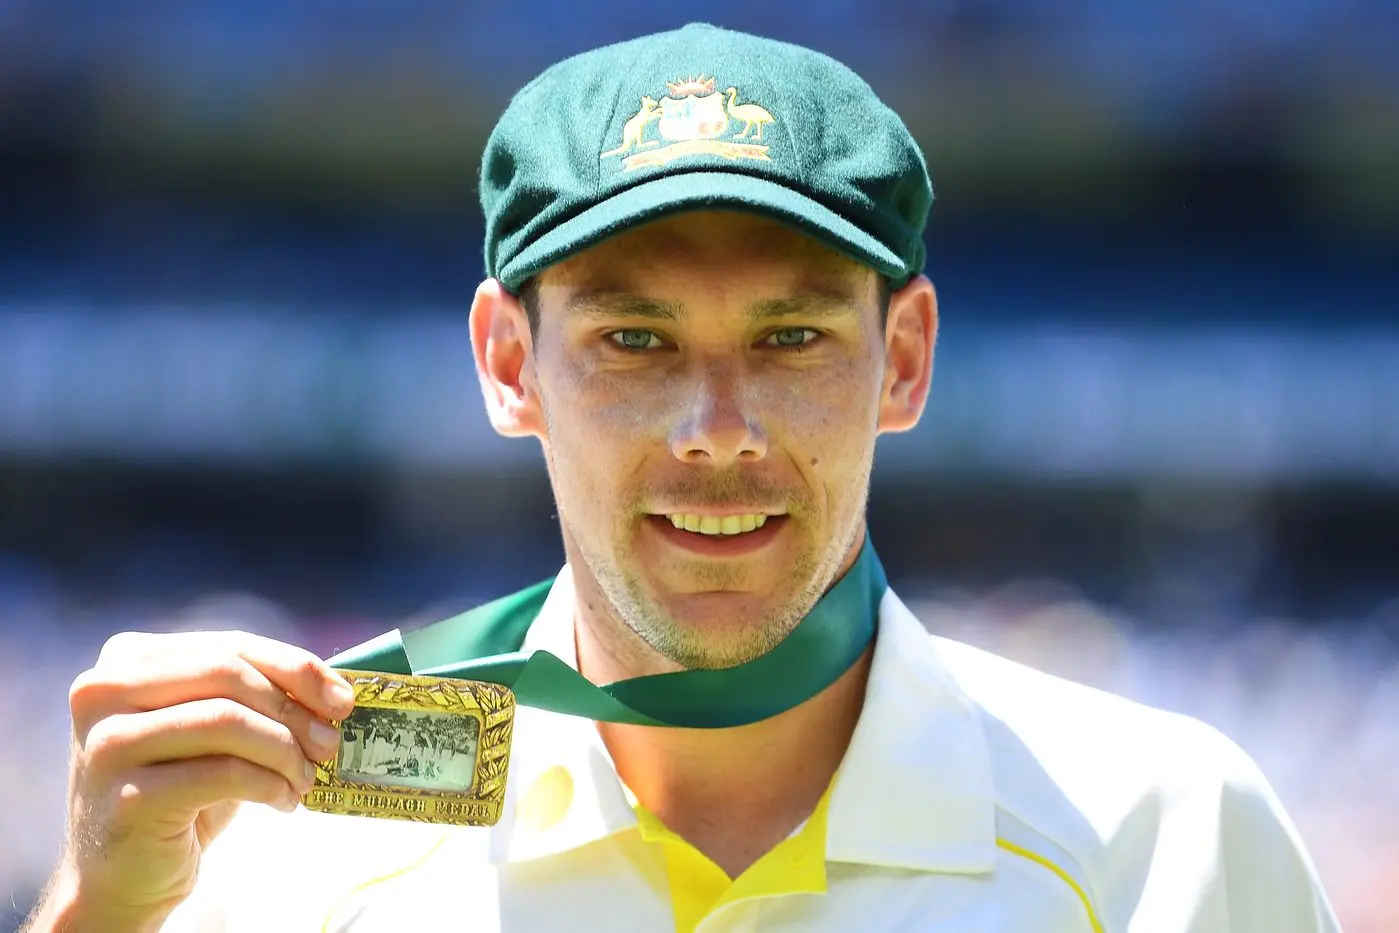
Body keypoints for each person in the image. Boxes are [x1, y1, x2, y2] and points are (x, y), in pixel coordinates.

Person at [23, 22, 1339, 933]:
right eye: (634, 341)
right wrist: (105, 908)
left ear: (904, 360)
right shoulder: (291, 828)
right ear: (506, 363)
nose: (716, 428)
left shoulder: (1163, 830)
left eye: (791, 337)